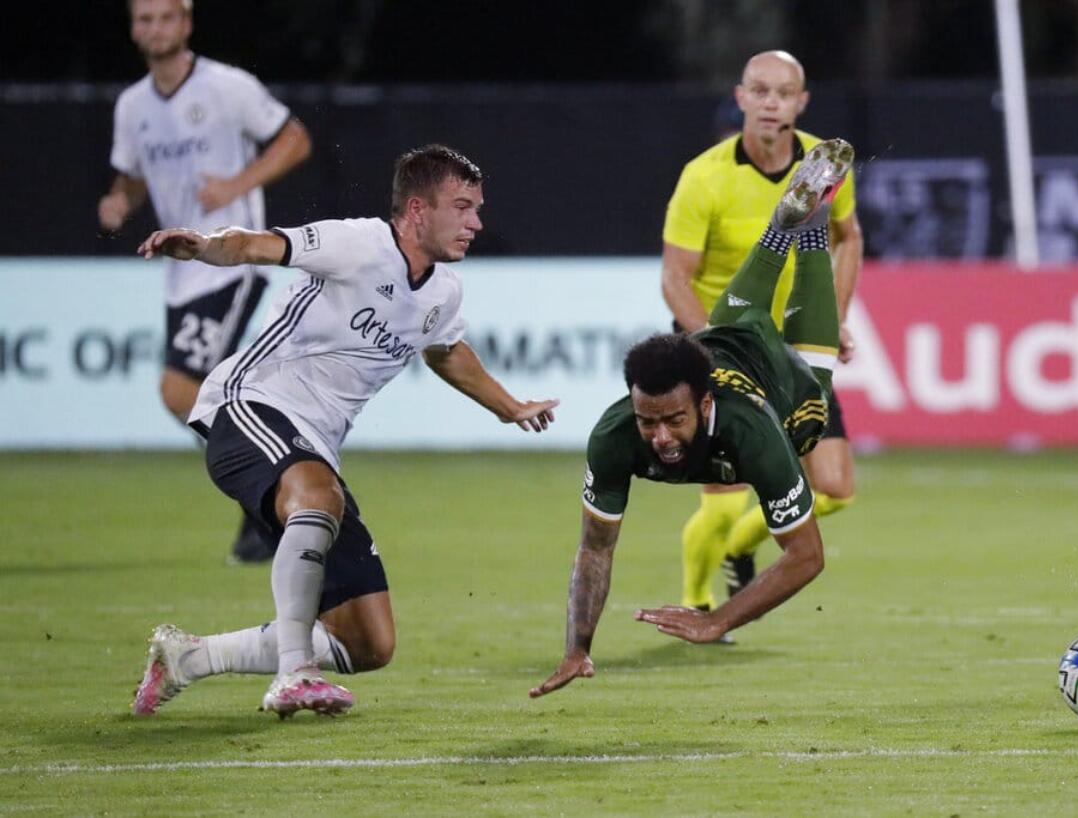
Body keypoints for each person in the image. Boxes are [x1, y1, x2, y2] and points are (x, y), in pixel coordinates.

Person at [131, 145, 560, 718]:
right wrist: (207, 248)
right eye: (462, 207)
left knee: (368, 641)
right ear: (416, 209)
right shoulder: (358, 243)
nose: (476, 222)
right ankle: (293, 673)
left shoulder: (442, 292)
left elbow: (446, 351)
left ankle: (190, 659)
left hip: (313, 447)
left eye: (477, 209)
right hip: (251, 403)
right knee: (319, 496)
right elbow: (259, 244)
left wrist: (508, 407)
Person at [531, 139, 853, 698]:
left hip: (787, 385)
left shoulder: (752, 434)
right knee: (770, 250)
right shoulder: (614, 435)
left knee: (809, 251)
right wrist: (577, 647)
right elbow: (595, 547)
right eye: (646, 421)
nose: (659, 438)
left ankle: (816, 216)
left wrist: (718, 619)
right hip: (721, 334)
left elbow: (807, 557)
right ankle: (791, 217)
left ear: (704, 405)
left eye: (673, 421)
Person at [98, 0, 313, 564]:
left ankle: (278, 486)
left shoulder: (226, 86)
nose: (155, 28)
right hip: (180, 273)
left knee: (179, 389)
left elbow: (295, 139)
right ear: (133, 29)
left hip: (230, 258)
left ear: (186, 22)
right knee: (203, 394)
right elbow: (135, 175)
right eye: (144, 19)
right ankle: (270, 493)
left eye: (166, 17)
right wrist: (122, 199)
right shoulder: (133, 106)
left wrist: (237, 183)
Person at [660, 50, 864, 617]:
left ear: (802, 101)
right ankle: (697, 604)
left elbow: (849, 237)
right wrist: (711, 344)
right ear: (741, 97)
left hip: (791, 347)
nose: (771, 102)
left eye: (784, 92)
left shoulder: (825, 167)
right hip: (722, 344)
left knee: (834, 489)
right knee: (723, 502)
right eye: (760, 90)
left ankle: (738, 549)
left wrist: (834, 317)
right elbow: (675, 278)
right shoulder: (703, 178)